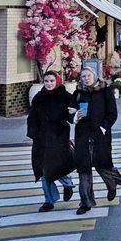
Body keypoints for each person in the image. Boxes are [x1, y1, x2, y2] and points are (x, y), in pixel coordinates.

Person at [72, 67, 121, 215]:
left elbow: (112, 114)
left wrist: (103, 127)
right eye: (83, 77)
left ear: (95, 76)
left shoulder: (105, 91)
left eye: (88, 76)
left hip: (100, 134)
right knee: (84, 168)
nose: (86, 79)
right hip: (82, 134)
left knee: (103, 166)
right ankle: (85, 202)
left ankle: (112, 184)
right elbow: (69, 111)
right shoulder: (78, 93)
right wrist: (75, 116)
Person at [27, 71, 75, 212]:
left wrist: (74, 118)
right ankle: (49, 201)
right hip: (42, 139)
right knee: (43, 170)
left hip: (59, 138)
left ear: (57, 81)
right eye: (46, 81)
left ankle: (68, 184)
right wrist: (34, 133)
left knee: (59, 166)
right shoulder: (39, 98)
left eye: (51, 81)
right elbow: (32, 117)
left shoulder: (64, 96)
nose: (49, 84)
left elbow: (72, 113)